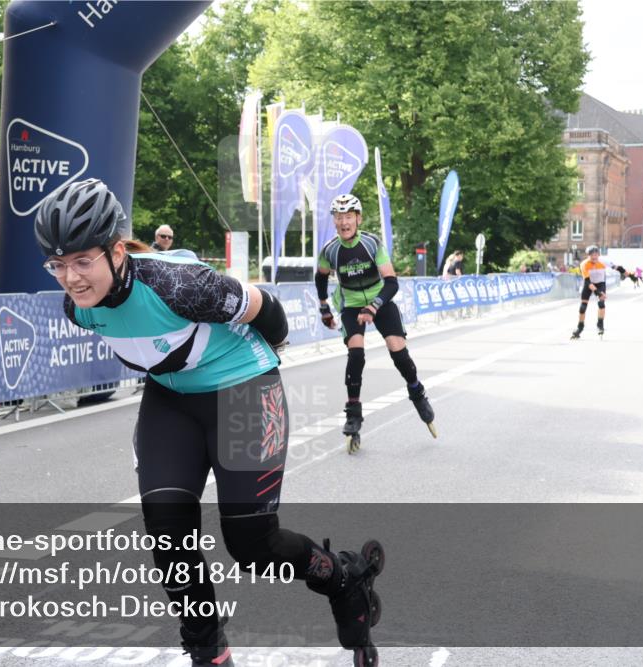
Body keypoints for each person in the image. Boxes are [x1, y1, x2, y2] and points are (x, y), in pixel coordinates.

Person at [35, 179, 385, 667]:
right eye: (58, 264)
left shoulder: (180, 286)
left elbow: (272, 313)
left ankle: (342, 578)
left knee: (252, 546)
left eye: (81, 261)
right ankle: (208, 654)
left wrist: (266, 358)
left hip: (241, 387)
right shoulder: (78, 308)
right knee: (166, 530)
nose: (70, 278)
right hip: (173, 397)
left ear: (116, 251)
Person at [315, 193, 436, 451]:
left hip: (380, 301)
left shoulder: (371, 243)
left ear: (358, 218)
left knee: (398, 353)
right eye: (339, 217)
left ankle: (416, 391)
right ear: (334, 221)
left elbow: (392, 282)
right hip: (351, 304)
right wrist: (324, 307)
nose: (344, 222)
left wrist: (374, 306)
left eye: (348, 217)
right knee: (356, 354)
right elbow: (321, 277)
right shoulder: (330, 250)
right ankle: (353, 413)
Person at [570, 245, 628, 339]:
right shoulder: (584, 264)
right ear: (588, 256)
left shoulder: (603, 261)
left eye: (596, 255)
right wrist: (598, 293)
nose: (594, 257)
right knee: (582, 307)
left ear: (599, 255)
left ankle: (600, 324)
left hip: (600, 283)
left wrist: (626, 273)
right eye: (591, 255)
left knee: (601, 304)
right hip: (589, 284)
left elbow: (618, 267)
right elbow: (588, 282)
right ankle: (580, 328)